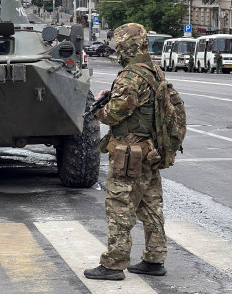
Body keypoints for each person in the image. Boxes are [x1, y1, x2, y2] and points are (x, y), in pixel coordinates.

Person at [84, 23, 167, 281]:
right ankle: (154, 259)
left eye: (118, 46)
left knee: (120, 207)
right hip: (150, 151)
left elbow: (113, 114)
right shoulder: (154, 72)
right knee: (151, 206)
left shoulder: (130, 77)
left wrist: (100, 106)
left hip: (129, 155)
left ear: (125, 47)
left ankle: (114, 264)